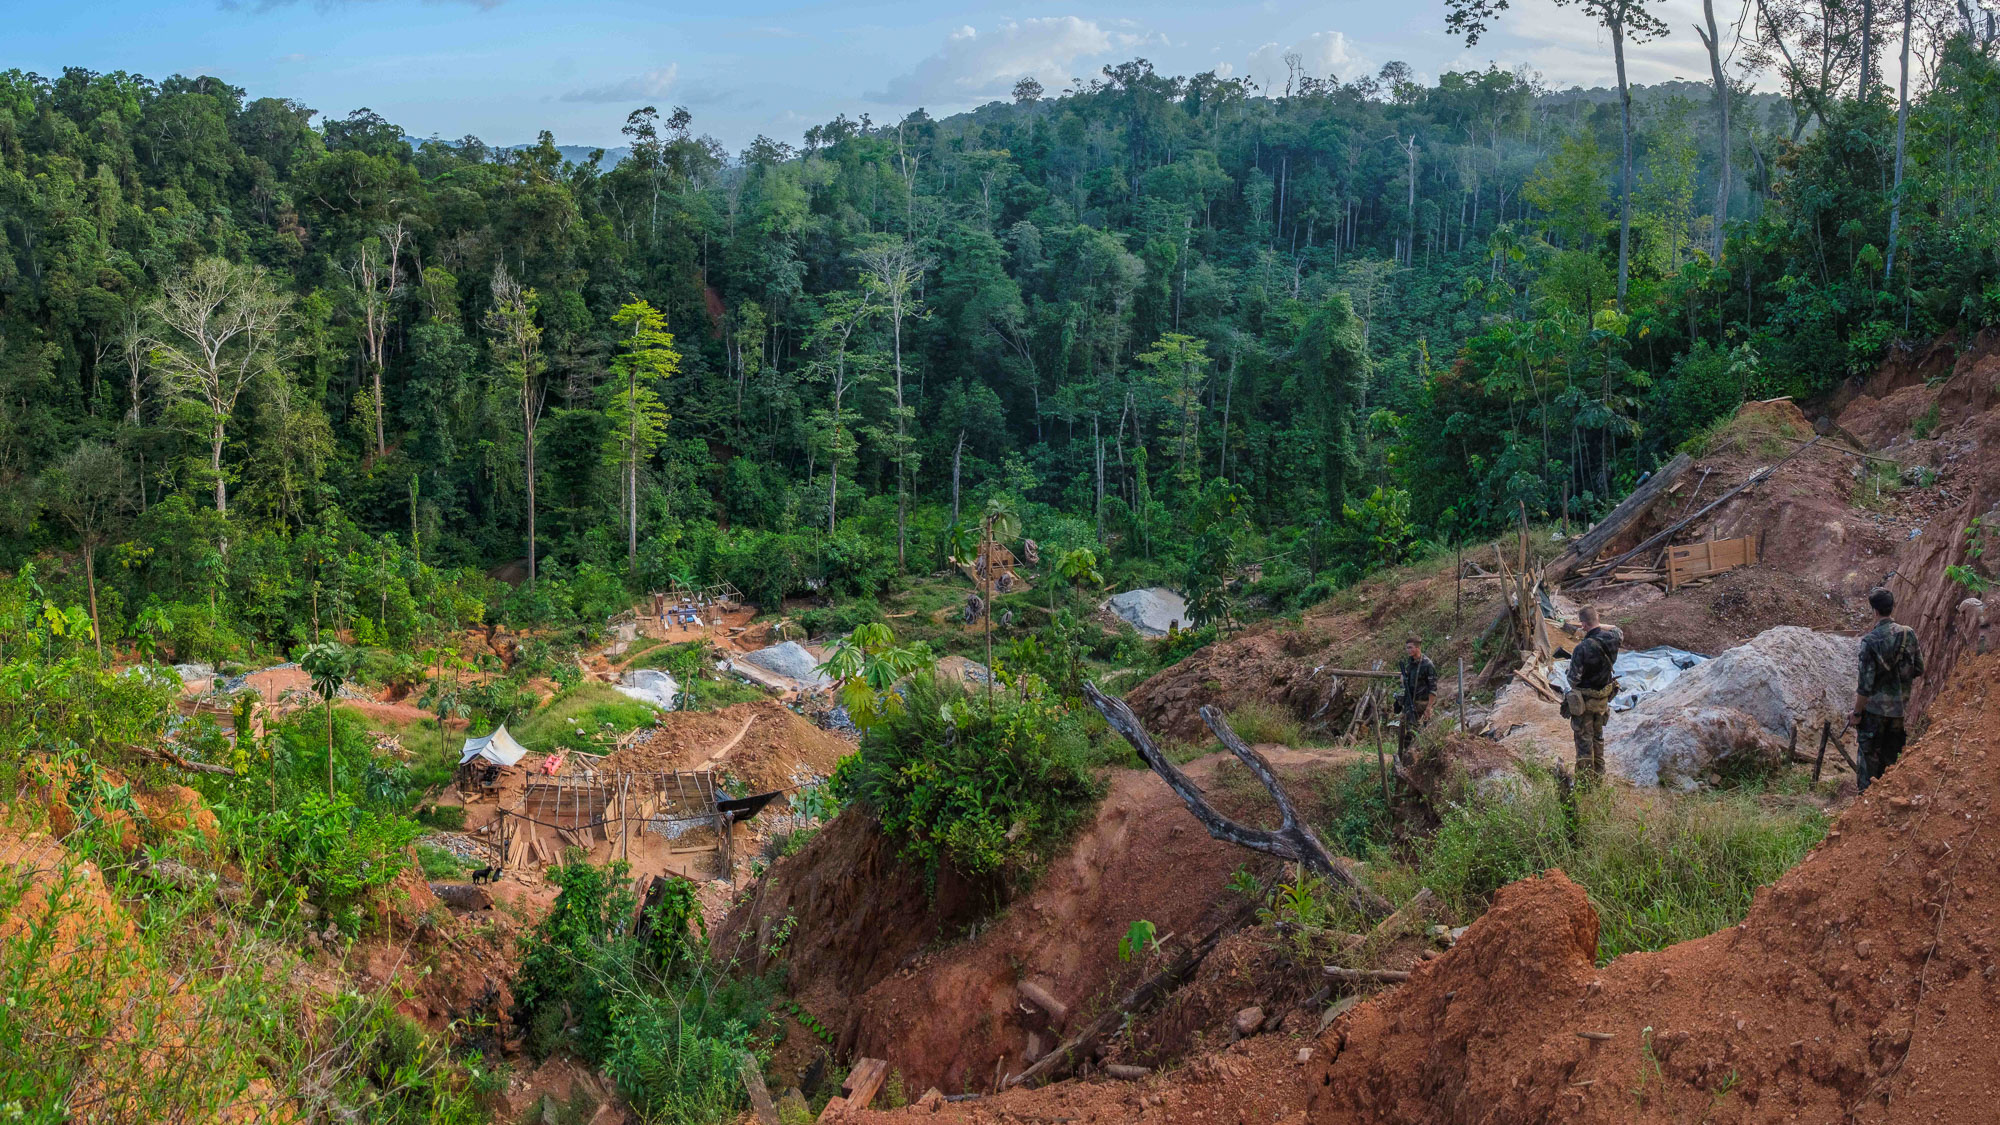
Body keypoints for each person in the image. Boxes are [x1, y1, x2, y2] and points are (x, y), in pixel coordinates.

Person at [1853, 586, 1923, 792]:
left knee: (1868, 773)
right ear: (1892, 607)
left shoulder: (1870, 641)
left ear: (1874, 611)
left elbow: (1864, 687)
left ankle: (1865, 811)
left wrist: (1856, 714)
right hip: (1898, 714)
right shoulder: (1908, 634)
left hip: (1874, 715)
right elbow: (1919, 668)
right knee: (1891, 768)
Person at [1566, 606, 1622, 780]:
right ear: (1597, 618)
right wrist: (1597, 623)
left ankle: (1585, 781)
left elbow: (1573, 679)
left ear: (1583, 625)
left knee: (1584, 741)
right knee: (1598, 738)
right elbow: (1616, 629)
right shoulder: (1614, 638)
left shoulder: (1581, 648)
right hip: (1603, 700)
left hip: (1585, 702)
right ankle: (1599, 774)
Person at [1395, 636, 1438, 759]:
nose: (1408, 650)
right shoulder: (1410, 663)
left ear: (1418, 648)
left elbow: (1433, 688)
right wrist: (1403, 679)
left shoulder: (1427, 664)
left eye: (1410, 647)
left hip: (1422, 704)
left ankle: (1418, 759)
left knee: (1419, 734)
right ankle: (1405, 757)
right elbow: (1407, 679)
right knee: (1406, 733)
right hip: (1410, 704)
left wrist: (1429, 708)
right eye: (1407, 648)